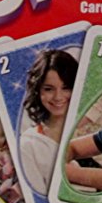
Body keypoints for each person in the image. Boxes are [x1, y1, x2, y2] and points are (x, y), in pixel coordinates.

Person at [20, 49, 78, 195]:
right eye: (48, 89)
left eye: (66, 88)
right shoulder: (29, 145)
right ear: (37, 91)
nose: (58, 97)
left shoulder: (93, 127)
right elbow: (40, 199)